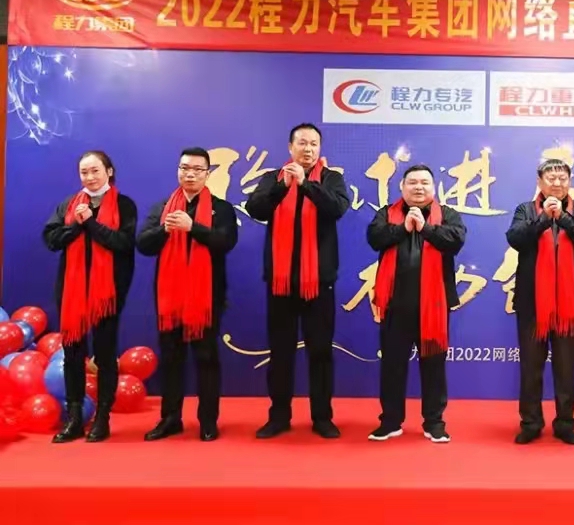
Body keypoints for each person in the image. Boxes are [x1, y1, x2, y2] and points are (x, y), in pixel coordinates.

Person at [246, 123, 349, 439]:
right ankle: (279, 416)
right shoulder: (273, 178)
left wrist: (306, 185)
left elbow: (337, 208)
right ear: (290, 147)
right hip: (281, 283)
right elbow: (255, 208)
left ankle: (322, 417)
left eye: (314, 143)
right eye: (302, 143)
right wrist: (284, 186)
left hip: (319, 283)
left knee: (320, 353)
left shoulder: (331, 179)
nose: (308, 149)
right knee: (280, 353)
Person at [136, 147, 239, 442]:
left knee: (206, 358)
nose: (190, 174)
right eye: (185, 168)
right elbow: (143, 244)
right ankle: (170, 418)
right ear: (178, 171)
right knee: (171, 358)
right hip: (170, 299)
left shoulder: (221, 208)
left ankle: (208, 421)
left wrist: (193, 227)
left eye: (197, 169)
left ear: (207, 174)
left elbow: (225, 241)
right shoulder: (162, 208)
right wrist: (165, 230)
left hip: (207, 299)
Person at [366, 164, 466, 443]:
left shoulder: (447, 214)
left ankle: (434, 422)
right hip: (395, 304)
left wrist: (426, 228)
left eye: (424, 182)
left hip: (433, 306)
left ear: (433, 188)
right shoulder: (387, 213)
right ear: (402, 187)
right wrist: (403, 228)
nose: (419, 187)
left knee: (433, 366)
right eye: (412, 182)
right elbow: (375, 238)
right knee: (392, 365)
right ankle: (390, 421)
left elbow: (455, 240)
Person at [43, 151, 137, 443]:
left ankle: (102, 418)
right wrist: (76, 224)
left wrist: (91, 224)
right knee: (73, 353)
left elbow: (123, 243)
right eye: (84, 172)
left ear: (109, 171)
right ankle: (74, 418)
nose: (90, 177)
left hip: (107, 294)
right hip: (71, 293)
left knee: (105, 354)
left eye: (95, 170)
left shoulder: (124, 205)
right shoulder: (69, 204)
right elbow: (51, 239)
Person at [506, 158, 574, 445]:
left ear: (569, 181)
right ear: (539, 181)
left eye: (563, 178)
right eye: (551, 178)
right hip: (532, 303)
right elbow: (516, 239)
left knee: (565, 367)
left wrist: (564, 218)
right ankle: (531, 422)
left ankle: (565, 423)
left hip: (569, 304)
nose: (557, 183)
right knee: (531, 368)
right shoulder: (525, 210)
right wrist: (545, 218)